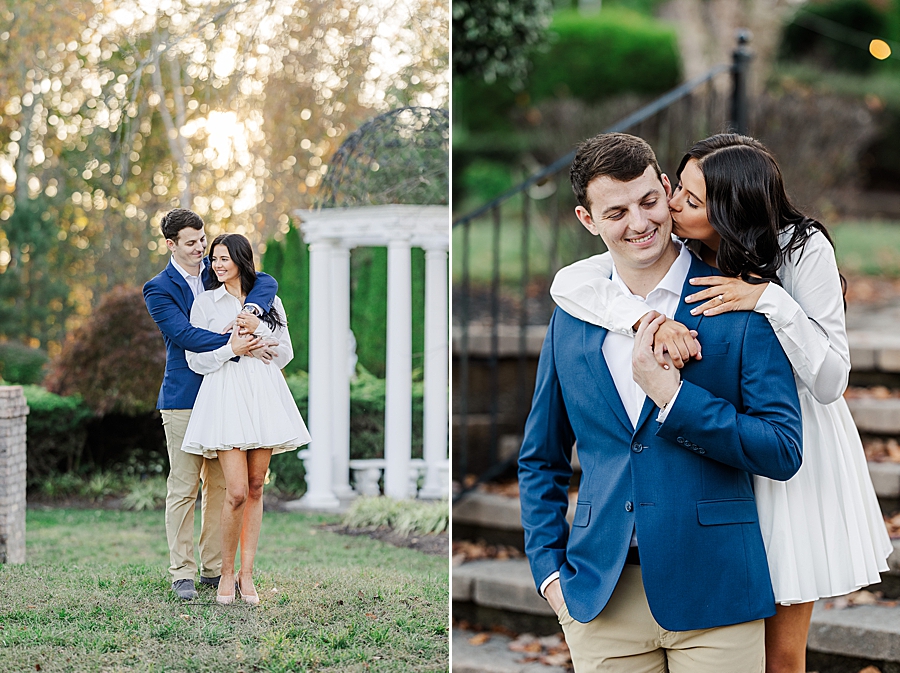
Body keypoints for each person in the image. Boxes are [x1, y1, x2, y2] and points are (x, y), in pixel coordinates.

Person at [550, 133, 893, 673]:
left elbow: (830, 380)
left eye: (690, 199)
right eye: (677, 190)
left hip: (790, 449)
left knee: (779, 655)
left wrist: (770, 299)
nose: (670, 208)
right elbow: (572, 283)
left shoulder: (802, 250)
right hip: (709, 455)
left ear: (730, 209)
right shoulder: (685, 248)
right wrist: (642, 320)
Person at [519, 132, 804, 673]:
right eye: (617, 212)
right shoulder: (571, 316)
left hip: (718, 594)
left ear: (667, 188)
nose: (640, 223)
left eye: (649, 201)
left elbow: (782, 448)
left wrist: (675, 399)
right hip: (598, 598)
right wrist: (550, 577)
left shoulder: (737, 300)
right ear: (587, 220)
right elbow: (541, 458)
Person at [143, 209, 278, 601]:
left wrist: (251, 312)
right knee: (184, 487)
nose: (201, 248)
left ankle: (215, 568)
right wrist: (233, 346)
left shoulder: (213, 272)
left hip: (228, 396)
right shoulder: (158, 288)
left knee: (223, 488)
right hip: (185, 396)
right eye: (191, 242)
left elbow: (263, 280)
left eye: (203, 240)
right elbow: (184, 334)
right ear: (171, 245)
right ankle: (181, 572)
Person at [181, 232, 311, 605]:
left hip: (263, 394)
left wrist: (260, 331)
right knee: (235, 491)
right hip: (226, 394)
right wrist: (231, 349)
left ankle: (246, 575)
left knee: (256, 486)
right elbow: (196, 359)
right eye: (214, 260)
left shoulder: (269, 300)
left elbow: (284, 353)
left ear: (241, 259)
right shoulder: (206, 303)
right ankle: (224, 573)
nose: (217, 266)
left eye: (224, 259)